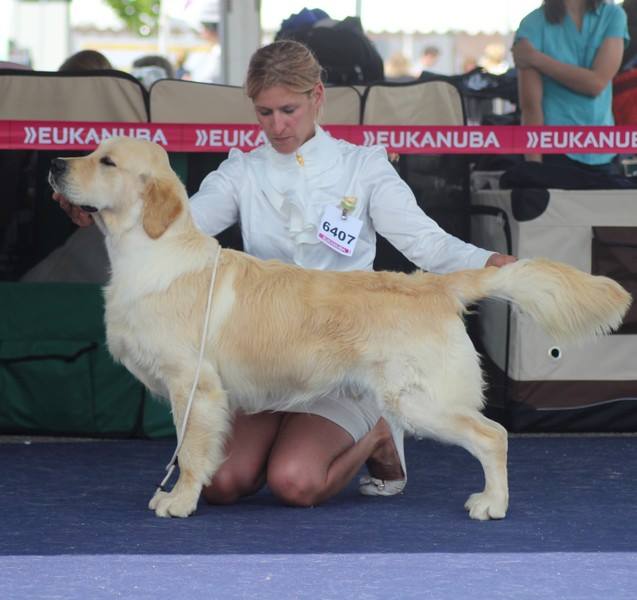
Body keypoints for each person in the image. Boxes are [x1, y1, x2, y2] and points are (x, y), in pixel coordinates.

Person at [55, 40, 516, 507]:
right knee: (222, 483)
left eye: (289, 110)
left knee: (295, 481)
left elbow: (425, 242)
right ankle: (287, 433)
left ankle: (378, 434)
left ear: (318, 97)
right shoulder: (242, 172)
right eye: (265, 112)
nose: (277, 126)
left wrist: (483, 261)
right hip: (267, 361)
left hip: (346, 350)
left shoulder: (364, 167)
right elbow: (174, 231)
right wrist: (98, 203)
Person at [512, 0, 629, 168]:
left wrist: (536, 58)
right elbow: (531, 106)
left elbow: (596, 84)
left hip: (605, 151)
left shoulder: (613, 15)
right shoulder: (532, 24)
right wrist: (534, 166)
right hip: (555, 153)